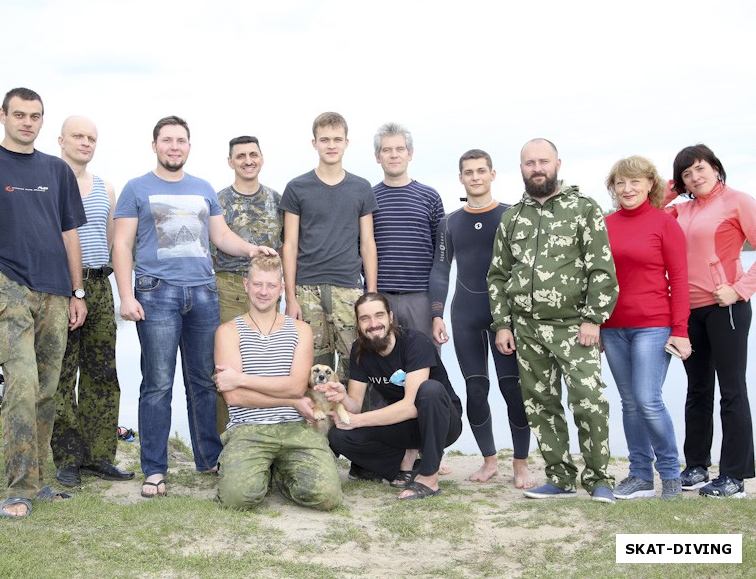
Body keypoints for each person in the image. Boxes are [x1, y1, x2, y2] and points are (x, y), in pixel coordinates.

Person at [113, 115, 276, 498]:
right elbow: (122, 245)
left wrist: (251, 249)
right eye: (167, 140)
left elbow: (220, 236)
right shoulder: (136, 188)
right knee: (157, 384)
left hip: (203, 292)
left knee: (204, 381)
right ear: (155, 145)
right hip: (156, 293)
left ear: (189, 146)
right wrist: (126, 295)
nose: (174, 146)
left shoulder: (202, 187)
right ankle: (154, 469)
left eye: (181, 140)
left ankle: (208, 458)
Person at [0, 87, 87, 518]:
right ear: (2, 116)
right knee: (22, 385)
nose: (27, 122)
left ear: (42, 121)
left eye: (35, 116)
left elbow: (71, 234)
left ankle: (39, 480)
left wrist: (76, 290)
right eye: (19, 114)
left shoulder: (58, 170)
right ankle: (18, 488)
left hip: (55, 293)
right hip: (12, 291)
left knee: (48, 390)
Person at [487, 138, 619, 503]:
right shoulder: (512, 217)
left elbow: (602, 270)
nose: (537, 168)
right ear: (521, 168)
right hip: (526, 329)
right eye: (530, 163)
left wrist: (594, 319)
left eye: (543, 161)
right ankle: (559, 477)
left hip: (575, 327)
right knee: (541, 404)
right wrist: (502, 323)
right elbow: (498, 274)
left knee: (589, 400)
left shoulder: (584, 209)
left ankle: (599, 479)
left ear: (558, 163)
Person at [429, 149, 534, 487]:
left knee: (513, 390)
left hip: (507, 317)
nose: (475, 177)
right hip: (465, 314)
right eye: (468, 172)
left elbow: (525, 268)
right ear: (460, 178)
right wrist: (437, 314)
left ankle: (520, 464)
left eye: (480, 171)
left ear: (492, 174)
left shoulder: (512, 215)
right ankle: (489, 461)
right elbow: (441, 270)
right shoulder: (450, 223)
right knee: (475, 389)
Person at [213, 255, 342, 510]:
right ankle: (256, 469)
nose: (264, 292)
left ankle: (280, 474)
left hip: (295, 427)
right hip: (247, 428)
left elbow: (296, 386)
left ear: (281, 289)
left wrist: (239, 379)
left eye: (271, 286)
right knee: (238, 499)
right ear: (246, 285)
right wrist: (291, 400)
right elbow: (234, 398)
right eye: (258, 284)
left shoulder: (300, 330)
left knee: (327, 497)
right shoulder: (228, 332)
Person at [665, 144, 755, 498]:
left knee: (732, 391)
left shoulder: (738, 201)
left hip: (726, 308)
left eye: (700, 168)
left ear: (716, 167)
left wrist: (740, 289)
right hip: (689, 311)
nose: (695, 177)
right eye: (687, 173)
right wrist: (675, 187)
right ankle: (697, 467)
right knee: (697, 390)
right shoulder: (680, 209)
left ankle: (733, 477)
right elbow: (648, 207)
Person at [50, 116, 134, 487]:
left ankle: (100, 456)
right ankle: (68, 458)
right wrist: (71, 288)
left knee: (102, 373)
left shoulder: (105, 188)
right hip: (62, 287)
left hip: (100, 286)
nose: (85, 142)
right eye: (78, 136)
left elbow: (115, 242)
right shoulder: (48, 182)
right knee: (63, 375)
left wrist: (122, 291)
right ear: (61, 140)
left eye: (92, 138)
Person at [601, 156, 690, 500]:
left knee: (648, 400)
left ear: (650, 185)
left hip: (653, 325)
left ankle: (670, 475)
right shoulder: (605, 224)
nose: (627, 189)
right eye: (620, 183)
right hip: (613, 327)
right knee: (629, 403)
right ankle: (639, 474)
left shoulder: (664, 224)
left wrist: (680, 330)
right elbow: (595, 278)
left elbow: (680, 280)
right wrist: (594, 322)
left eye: (635, 182)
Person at [323, 293, 463, 500]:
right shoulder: (359, 351)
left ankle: (429, 478)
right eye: (365, 319)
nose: (373, 324)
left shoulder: (415, 342)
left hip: (441, 422)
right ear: (358, 324)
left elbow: (410, 406)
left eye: (379, 315)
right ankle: (404, 465)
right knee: (339, 436)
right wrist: (343, 397)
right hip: (403, 425)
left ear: (390, 317)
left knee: (430, 389)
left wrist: (357, 420)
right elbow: (355, 406)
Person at [279, 112, 378, 379]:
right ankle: (315, 422)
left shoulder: (360, 187)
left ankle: (356, 422)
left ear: (347, 142)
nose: (331, 145)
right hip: (306, 290)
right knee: (311, 369)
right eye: (325, 140)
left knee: (355, 365)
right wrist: (290, 297)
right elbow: (289, 245)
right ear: (314, 143)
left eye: (337, 139)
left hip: (348, 289)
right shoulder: (297, 187)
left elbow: (368, 244)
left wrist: (370, 294)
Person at [212, 135, 283, 435]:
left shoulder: (277, 200)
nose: (248, 160)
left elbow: (289, 246)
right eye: (240, 156)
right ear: (231, 162)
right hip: (229, 288)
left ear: (262, 158)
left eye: (253, 154)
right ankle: (224, 440)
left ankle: (266, 434)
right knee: (227, 366)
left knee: (269, 364)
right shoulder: (218, 200)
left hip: (269, 291)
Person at [372, 122, 444, 338]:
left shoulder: (430, 197)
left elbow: (441, 256)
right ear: (378, 156)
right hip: (381, 297)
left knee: (425, 364)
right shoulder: (368, 199)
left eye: (399, 149)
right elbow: (361, 247)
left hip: (420, 298)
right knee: (382, 366)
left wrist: (437, 310)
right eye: (387, 150)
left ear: (410, 154)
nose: (394, 155)